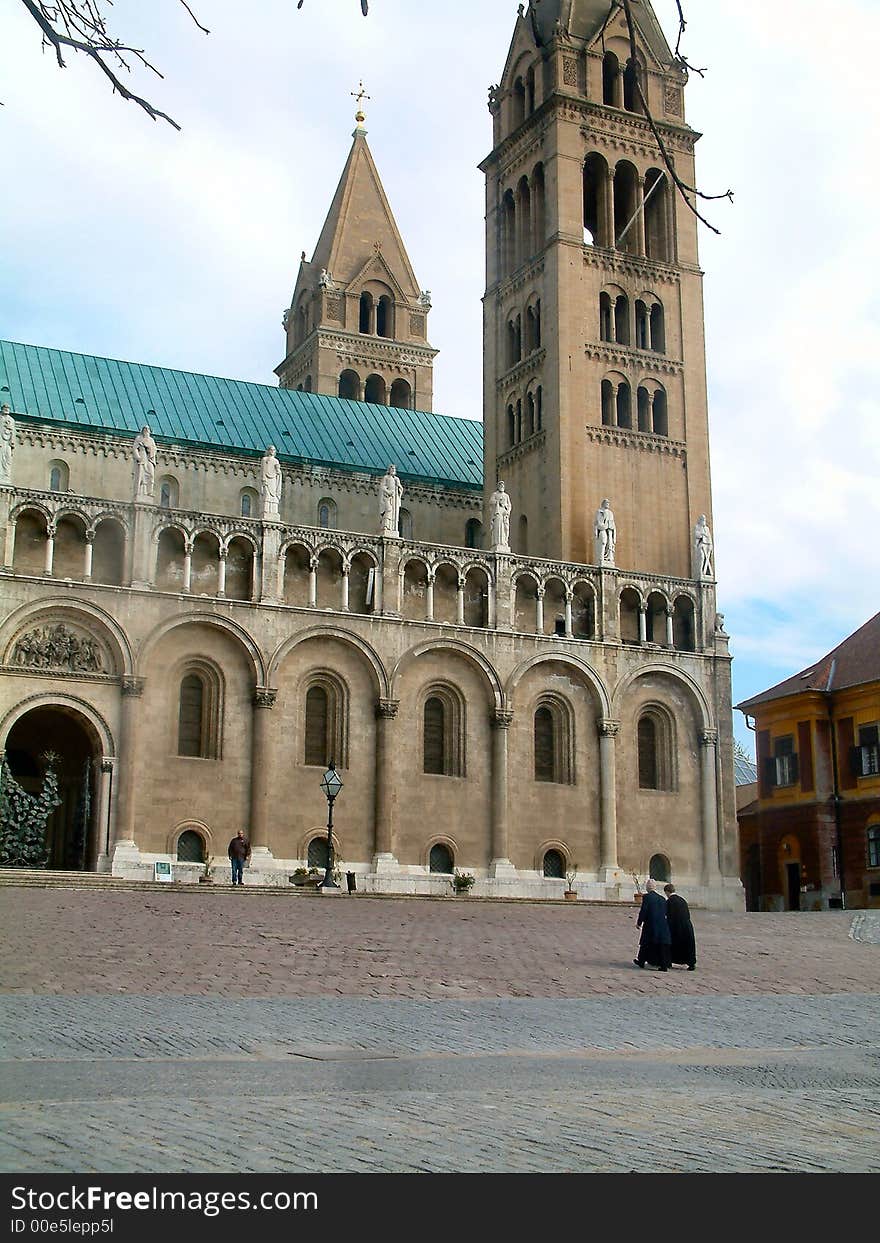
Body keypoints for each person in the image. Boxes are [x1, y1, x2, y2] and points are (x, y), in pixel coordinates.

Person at [634, 878, 671, 971]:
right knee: (660, 945)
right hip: (662, 924)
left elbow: (644, 911)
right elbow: (665, 912)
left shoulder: (647, 897)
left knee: (645, 943)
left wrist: (639, 923)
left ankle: (641, 961)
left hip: (651, 924)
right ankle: (663, 965)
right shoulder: (662, 898)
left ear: (647, 887)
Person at [664, 883, 696, 969]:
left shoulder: (669, 901)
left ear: (667, 892)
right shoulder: (682, 900)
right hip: (687, 926)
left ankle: (669, 961)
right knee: (688, 945)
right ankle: (691, 963)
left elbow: (667, 915)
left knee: (672, 945)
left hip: (676, 926)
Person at [132, 425, 157, 499]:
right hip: (142, 457)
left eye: (147, 429)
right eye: (145, 429)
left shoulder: (151, 440)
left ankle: (150, 492)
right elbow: (135, 448)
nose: (146, 430)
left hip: (149, 458)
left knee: (151, 474)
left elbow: (154, 449)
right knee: (140, 475)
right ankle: (139, 492)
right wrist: (138, 457)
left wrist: (149, 448)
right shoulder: (139, 438)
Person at [378, 464, 403, 536]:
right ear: (389, 470)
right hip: (388, 497)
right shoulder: (386, 477)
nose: (393, 470)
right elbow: (382, 487)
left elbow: (400, 488)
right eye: (391, 469)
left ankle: (393, 527)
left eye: (394, 469)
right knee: (388, 510)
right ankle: (385, 526)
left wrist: (399, 488)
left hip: (394, 498)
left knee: (394, 513)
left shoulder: (396, 479)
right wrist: (388, 492)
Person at [488, 481, 512, 551]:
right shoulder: (495, 494)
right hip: (497, 512)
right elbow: (491, 502)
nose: (502, 486)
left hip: (504, 513)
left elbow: (509, 505)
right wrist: (498, 502)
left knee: (505, 528)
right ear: (498, 486)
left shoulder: (506, 496)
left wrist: (507, 511)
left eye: (503, 485)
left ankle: (504, 542)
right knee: (497, 527)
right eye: (500, 485)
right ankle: (497, 542)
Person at [260, 446, 283, 518]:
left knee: (274, 495)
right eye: (271, 450)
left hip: (273, 480)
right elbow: (263, 470)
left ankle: (273, 510)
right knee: (267, 494)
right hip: (267, 479)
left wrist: (278, 471)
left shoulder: (276, 461)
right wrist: (263, 479)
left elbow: (278, 472)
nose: (272, 451)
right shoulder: (264, 459)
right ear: (268, 451)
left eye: (273, 450)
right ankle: (266, 510)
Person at [594, 498, 616, 566]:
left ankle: (609, 558)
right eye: (606, 503)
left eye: (608, 503)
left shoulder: (610, 513)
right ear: (603, 504)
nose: (608, 504)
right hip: (603, 529)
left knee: (609, 544)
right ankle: (601, 558)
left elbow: (613, 523)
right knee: (603, 542)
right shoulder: (600, 511)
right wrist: (604, 526)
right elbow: (598, 522)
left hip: (609, 531)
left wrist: (614, 534)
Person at [0, 405, 14, 485]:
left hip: (7, 443)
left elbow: (13, 432)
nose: (6, 410)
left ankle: (5, 475)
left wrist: (12, 442)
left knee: (7, 458)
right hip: (1, 443)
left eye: (7, 409)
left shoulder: (11, 420)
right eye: (4, 409)